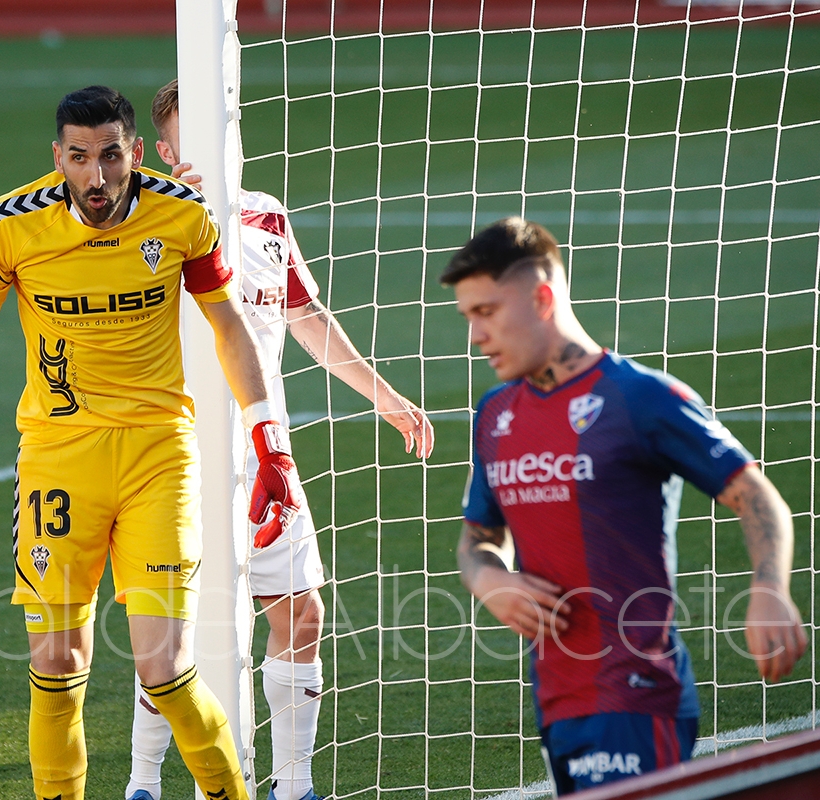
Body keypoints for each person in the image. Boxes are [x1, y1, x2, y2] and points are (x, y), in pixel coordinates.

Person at [0, 85, 303, 800]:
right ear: (58, 157)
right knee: (55, 667)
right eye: (79, 157)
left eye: (111, 155)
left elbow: (229, 326)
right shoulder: (9, 226)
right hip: (58, 463)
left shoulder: (183, 214)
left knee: (165, 671)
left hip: (158, 458)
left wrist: (271, 443)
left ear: (135, 152)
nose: (97, 175)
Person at [123, 79, 435, 800]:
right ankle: (143, 784)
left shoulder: (266, 216)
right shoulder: (142, 217)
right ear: (164, 150)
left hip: (264, 457)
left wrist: (385, 397)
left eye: (221, 128)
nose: (212, 145)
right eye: (192, 136)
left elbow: (305, 317)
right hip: (173, 458)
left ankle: (294, 788)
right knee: (172, 632)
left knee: (301, 612)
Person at [445, 218, 807, 794]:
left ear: (542, 299)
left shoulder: (640, 397)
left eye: (486, 312)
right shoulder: (494, 415)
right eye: (468, 316)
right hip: (557, 699)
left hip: (638, 692)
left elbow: (755, 494)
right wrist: (490, 579)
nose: (475, 335)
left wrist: (769, 587)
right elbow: (477, 540)